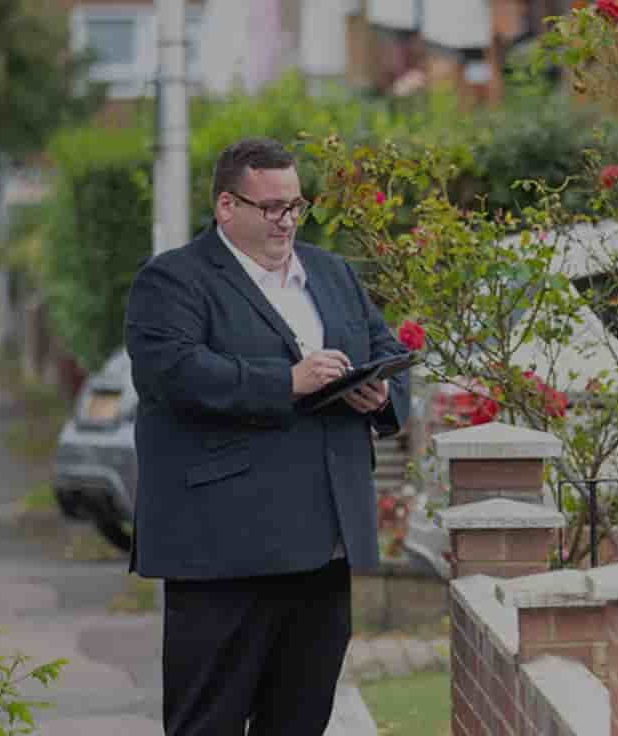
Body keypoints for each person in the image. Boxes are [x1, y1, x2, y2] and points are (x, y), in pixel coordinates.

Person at [123, 137, 410, 735]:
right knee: (209, 723)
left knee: (301, 721)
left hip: (324, 544)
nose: (287, 221)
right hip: (224, 548)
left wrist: (379, 394)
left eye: (296, 206)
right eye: (272, 207)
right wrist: (287, 381)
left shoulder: (331, 274)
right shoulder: (173, 280)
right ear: (227, 206)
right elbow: (173, 374)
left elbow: (385, 350)